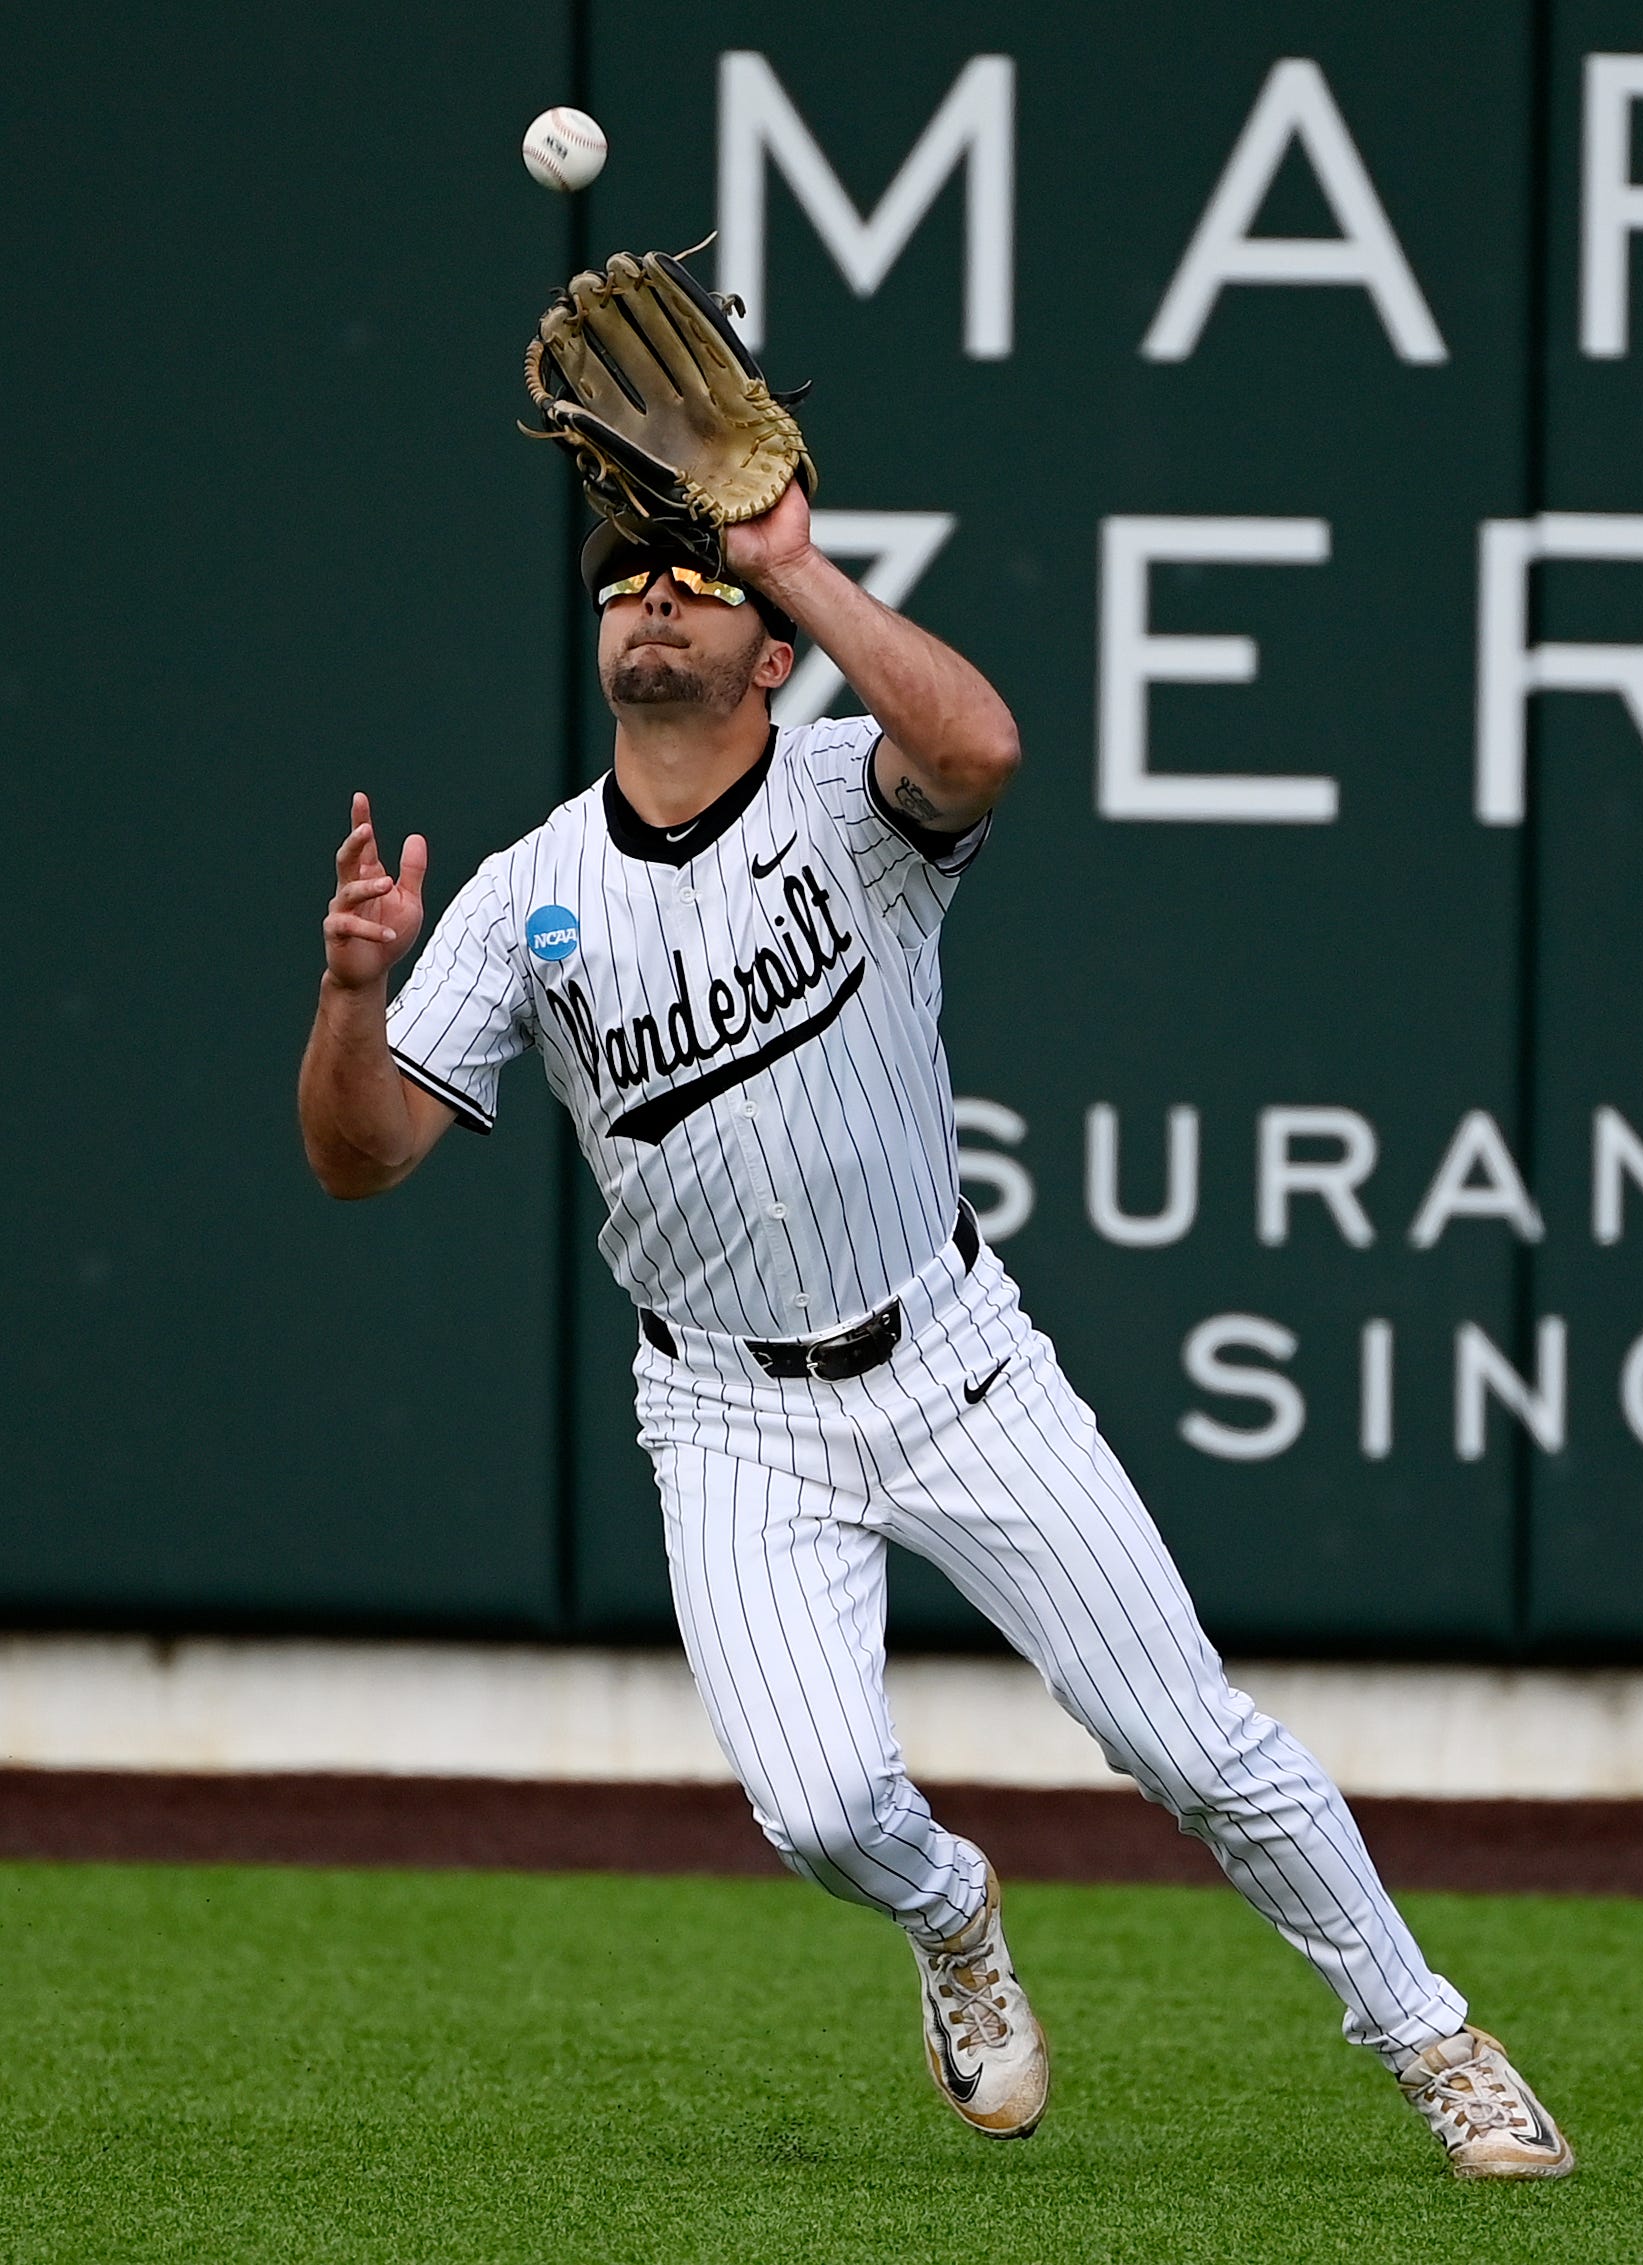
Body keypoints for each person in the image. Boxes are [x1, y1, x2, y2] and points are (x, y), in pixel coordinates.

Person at [298, 485, 1573, 2177]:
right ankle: (954, 1910)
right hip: (730, 1412)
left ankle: (1433, 2036)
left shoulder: (851, 791)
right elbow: (360, 1154)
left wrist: (794, 562)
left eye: (691, 582)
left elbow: (981, 748)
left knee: (1189, 1739)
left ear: (768, 656)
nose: (654, 605)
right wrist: (350, 1000)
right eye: (627, 586)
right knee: (823, 1811)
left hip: (956, 1359)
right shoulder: (530, 891)